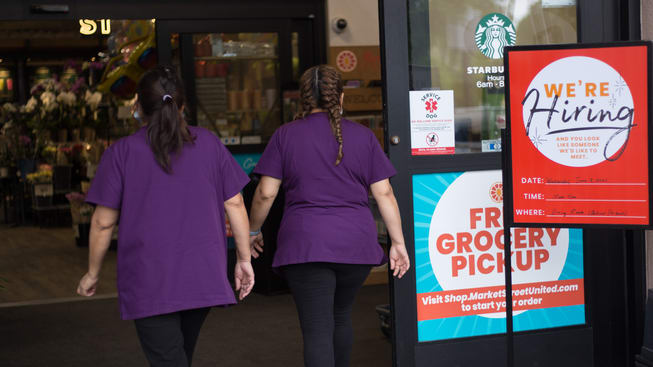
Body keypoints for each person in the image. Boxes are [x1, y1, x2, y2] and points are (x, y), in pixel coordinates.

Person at [76, 65, 254, 367]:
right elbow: (235, 203)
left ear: (139, 106)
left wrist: (93, 272)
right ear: (182, 105)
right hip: (202, 276)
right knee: (178, 356)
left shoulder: (121, 152)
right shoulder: (208, 143)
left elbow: (103, 222)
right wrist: (244, 259)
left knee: (170, 359)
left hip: (150, 280)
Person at [248, 65, 410, 367]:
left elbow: (266, 193)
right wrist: (397, 242)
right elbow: (384, 193)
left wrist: (252, 231)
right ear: (342, 98)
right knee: (340, 317)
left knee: (317, 329)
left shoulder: (286, 135)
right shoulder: (362, 136)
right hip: (355, 244)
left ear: (303, 100)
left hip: (305, 245)